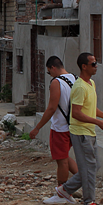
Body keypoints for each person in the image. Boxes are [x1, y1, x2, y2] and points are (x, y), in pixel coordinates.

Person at [43, 52, 103, 205]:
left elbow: (90, 107)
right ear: (84, 66)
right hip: (80, 132)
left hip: (89, 131)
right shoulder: (79, 86)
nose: (96, 66)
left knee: (93, 166)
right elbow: (76, 113)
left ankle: (64, 190)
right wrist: (98, 122)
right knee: (87, 167)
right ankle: (89, 202)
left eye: (96, 63)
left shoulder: (90, 84)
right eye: (93, 64)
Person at [28, 56, 79, 189]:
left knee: (61, 161)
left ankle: (62, 190)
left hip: (60, 127)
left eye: (49, 72)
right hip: (75, 125)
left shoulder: (57, 83)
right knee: (65, 156)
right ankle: (82, 178)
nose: (49, 75)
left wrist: (37, 127)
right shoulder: (76, 78)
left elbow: (52, 107)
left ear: (53, 68)